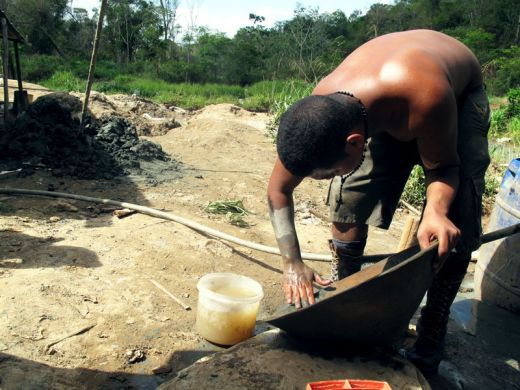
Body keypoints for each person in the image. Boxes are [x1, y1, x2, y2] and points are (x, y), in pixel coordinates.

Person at [266, 29, 490, 377]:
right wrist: (292, 263)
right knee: (349, 196)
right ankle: (345, 288)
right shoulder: (322, 109)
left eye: (326, 173)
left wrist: (435, 211)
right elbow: (278, 190)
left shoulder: (425, 96)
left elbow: (445, 167)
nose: (323, 179)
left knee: (456, 216)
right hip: (386, 99)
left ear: (355, 142)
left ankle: (434, 323)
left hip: (452, 96)